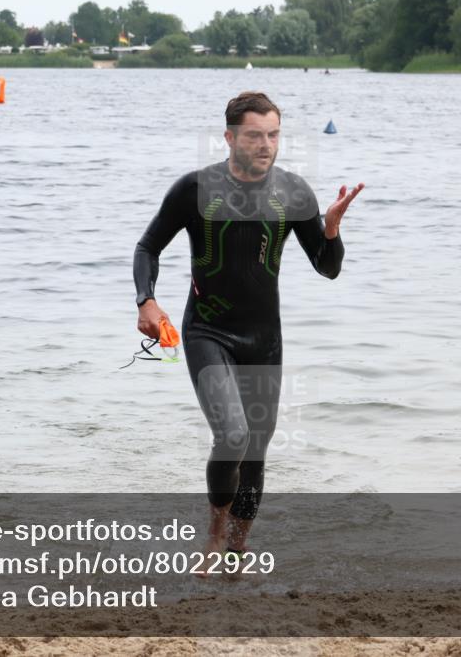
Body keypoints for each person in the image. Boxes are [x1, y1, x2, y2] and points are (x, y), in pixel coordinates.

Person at [133, 91, 364, 577]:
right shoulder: (195, 189)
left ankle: (237, 557)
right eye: (256, 135)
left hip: (264, 339)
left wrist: (332, 231)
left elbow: (328, 270)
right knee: (233, 434)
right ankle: (214, 536)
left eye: (274, 134)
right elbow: (148, 247)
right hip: (207, 331)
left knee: (256, 449)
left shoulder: (294, 194)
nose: (266, 144)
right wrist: (147, 300)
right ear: (230, 137)